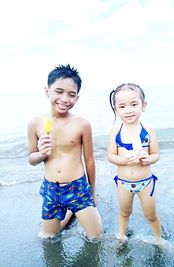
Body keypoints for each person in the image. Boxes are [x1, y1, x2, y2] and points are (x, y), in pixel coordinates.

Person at [28, 64, 103, 238]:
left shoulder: (82, 123)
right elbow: (31, 159)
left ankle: (75, 209)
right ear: (47, 91)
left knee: (96, 237)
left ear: (77, 98)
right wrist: (41, 153)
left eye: (71, 94)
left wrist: (92, 192)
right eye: (59, 91)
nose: (64, 98)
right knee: (48, 237)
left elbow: (89, 160)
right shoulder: (35, 123)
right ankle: (70, 212)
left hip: (77, 187)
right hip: (51, 189)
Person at [107, 83, 162, 243]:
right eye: (122, 106)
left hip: (146, 182)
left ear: (143, 105)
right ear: (116, 109)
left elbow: (156, 154)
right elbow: (111, 156)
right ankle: (122, 236)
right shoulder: (115, 131)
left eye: (134, 104)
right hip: (123, 182)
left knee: (150, 214)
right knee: (124, 212)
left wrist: (147, 159)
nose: (128, 110)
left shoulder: (148, 130)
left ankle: (158, 238)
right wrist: (124, 160)